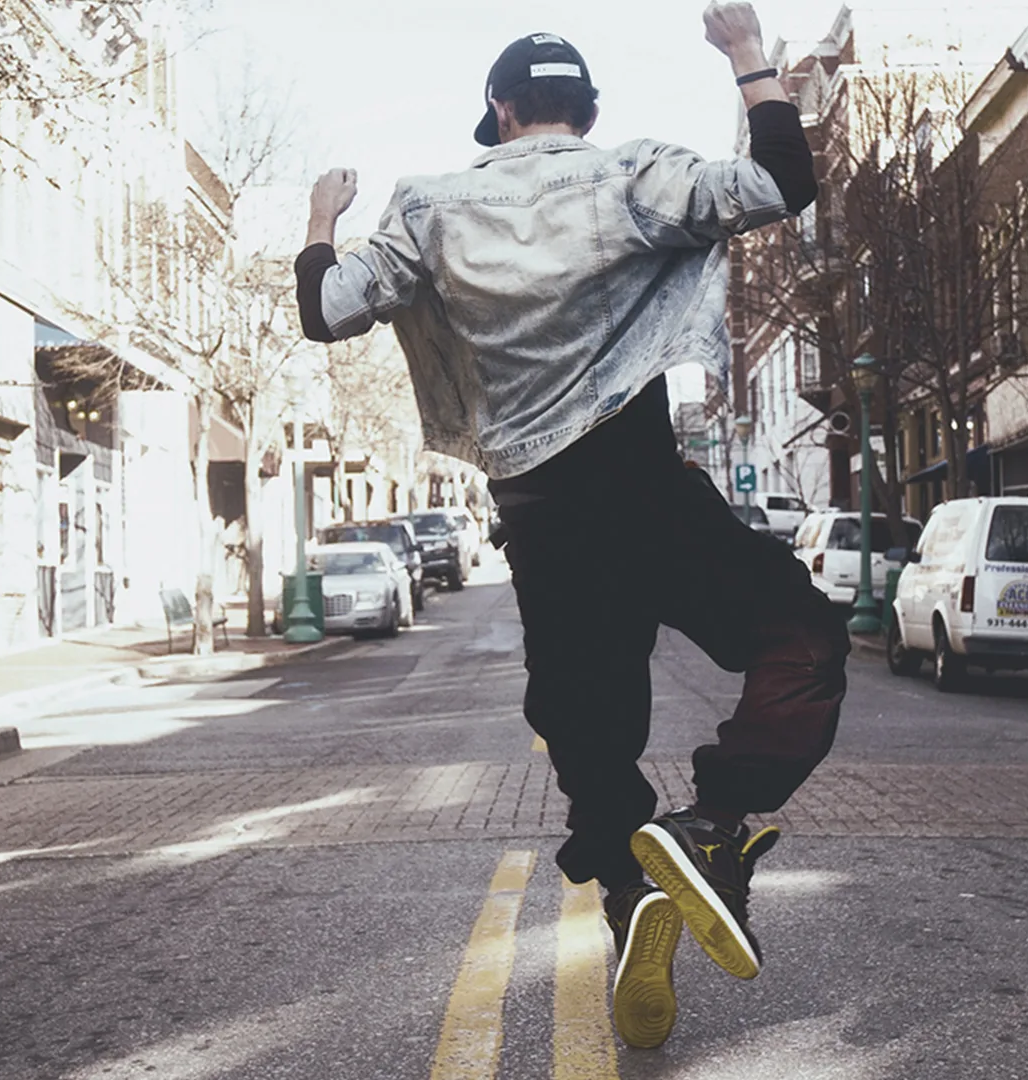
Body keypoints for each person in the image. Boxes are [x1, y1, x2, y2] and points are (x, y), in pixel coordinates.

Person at [294, 2, 847, 1049]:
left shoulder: (429, 207)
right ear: (584, 113)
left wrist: (323, 218)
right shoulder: (635, 174)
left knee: (590, 738)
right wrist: (745, 54)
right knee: (803, 641)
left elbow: (327, 311)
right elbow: (783, 180)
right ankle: (713, 824)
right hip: (645, 488)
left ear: (500, 113)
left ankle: (633, 894)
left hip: (544, 521)